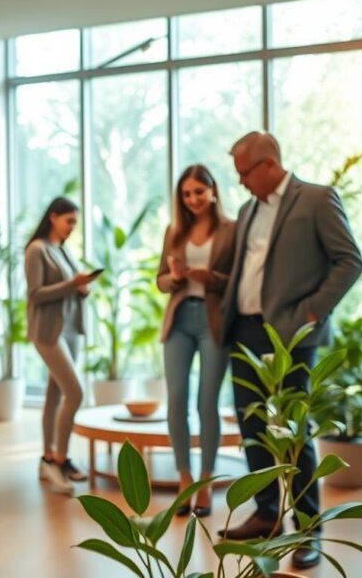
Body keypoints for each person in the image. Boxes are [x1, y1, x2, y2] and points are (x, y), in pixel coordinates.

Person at [218, 132, 362, 569]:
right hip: (243, 332)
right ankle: (266, 514)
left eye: (244, 172)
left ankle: (306, 528)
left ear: (268, 164)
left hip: (290, 335)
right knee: (254, 428)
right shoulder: (247, 210)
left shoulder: (316, 199)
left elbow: (350, 260)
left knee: (294, 432)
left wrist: (311, 313)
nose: (241, 182)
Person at [156, 164, 236, 518]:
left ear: (213, 191)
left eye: (198, 192)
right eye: (186, 194)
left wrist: (211, 277)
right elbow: (159, 280)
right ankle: (184, 477)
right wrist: (173, 278)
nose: (193, 200)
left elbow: (237, 279)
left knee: (207, 403)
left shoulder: (231, 230)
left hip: (213, 320)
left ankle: (205, 479)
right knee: (176, 399)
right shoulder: (174, 231)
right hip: (180, 320)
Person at [25, 196, 98, 495]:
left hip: (68, 329)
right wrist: (71, 284)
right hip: (48, 332)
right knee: (75, 392)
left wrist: (81, 288)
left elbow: (69, 289)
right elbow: (36, 293)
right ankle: (58, 459)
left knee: (55, 395)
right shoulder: (37, 249)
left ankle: (50, 458)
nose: (72, 227)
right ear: (53, 217)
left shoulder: (62, 251)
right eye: (69, 221)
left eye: (75, 223)